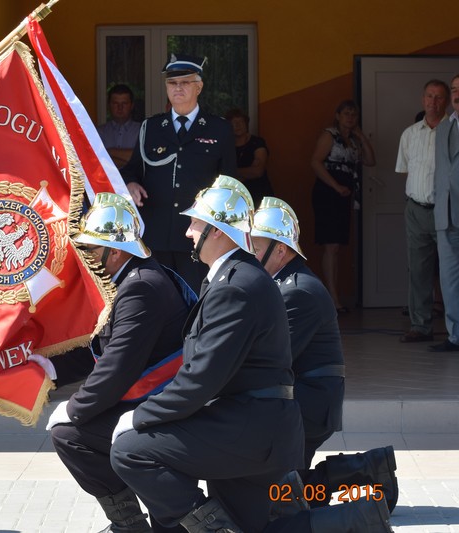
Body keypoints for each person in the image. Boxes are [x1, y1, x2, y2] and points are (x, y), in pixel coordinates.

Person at [108, 176, 304, 532]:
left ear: (217, 230)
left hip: (252, 429)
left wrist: (139, 416)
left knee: (131, 449)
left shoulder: (236, 286)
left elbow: (201, 379)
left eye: (195, 223)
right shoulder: (232, 277)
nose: (187, 232)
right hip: (251, 423)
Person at [32, 192, 192, 533]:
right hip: (153, 399)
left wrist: (75, 409)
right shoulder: (132, 279)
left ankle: (131, 524)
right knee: (76, 432)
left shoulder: (140, 288)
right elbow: (100, 347)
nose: (86, 257)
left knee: (70, 434)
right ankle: (133, 522)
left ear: (115, 252)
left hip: (163, 406)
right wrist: (50, 369)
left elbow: (118, 364)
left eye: (91, 249)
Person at [252, 197, 398, 518]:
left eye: (256, 245)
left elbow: (272, 358)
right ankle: (371, 468)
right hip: (299, 400)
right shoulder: (282, 284)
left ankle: (367, 470)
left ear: (280, 249)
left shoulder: (296, 291)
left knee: (275, 501)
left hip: (308, 405)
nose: (249, 253)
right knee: (277, 496)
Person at [120, 55, 236, 292]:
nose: (178, 88)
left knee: (194, 301)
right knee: (156, 300)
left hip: (197, 236)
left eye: (185, 82)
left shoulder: (219, 128)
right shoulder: (150, 128)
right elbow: (132, 169)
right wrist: (131, 183)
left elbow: (229, 183)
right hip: (155, 233)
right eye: (172, 83)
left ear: (199, 87)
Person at [395, 80, 449, 343]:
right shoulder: (410, 134)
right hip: (416, 209)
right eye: (429, 96)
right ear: (422, 99)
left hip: (447, 210)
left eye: (439, 97)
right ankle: (420, 325)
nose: (433, 101)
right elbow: (406, 170)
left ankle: (455, 329)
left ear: (446, 101)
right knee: (418, 270)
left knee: (452, 270)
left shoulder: (454, 131)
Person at [310, 100, 375, 314]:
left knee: (337, 247)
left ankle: (334, 296)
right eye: (346, 114)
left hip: (344, 194)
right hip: (329, 192)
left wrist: (362, 135)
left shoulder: (353, 139)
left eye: (354, 115)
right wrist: (336, 186)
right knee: (331, 246)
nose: (350, 118)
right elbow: (316, 162)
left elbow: (370, 160)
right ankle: (333, 298)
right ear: (338, 115)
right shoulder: (329, 135)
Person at [432, 73, 459, 353]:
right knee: (449, 280)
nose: (456, 95)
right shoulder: (443, 128)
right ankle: (455, 335)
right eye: (453, 90)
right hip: (446, 214)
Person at [225, 108, 274, 205]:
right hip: (235, 198)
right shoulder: (226, 146)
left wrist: (232, 172)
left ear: (246, 123)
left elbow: (257, 171)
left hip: (259, 195)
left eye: (240, 121)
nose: (237, 125)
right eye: (234, 122)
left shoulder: (257, 142)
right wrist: (246, 172)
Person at [97, 84, 141, 169]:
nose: (120, 107)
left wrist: (110, 151)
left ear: (132, 106)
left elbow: (142, 159)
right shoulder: (98, 133)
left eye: (124, 103)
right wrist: (128, 158)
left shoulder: (142, 131)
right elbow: (95, 160)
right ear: (109, 105)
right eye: (115, 103)